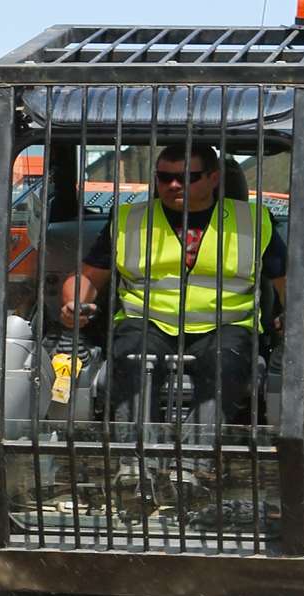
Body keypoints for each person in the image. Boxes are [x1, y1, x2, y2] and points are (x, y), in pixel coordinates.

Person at [58, 144, 286, 424]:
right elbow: (88, 277)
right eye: (164, 178)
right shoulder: (129, 219)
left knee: (225, 363)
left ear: (214, 178)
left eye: (186, 177)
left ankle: (195, 461)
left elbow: (287, 283)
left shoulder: (253, 221)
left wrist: (291, 318)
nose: (173, 185)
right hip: (145, 323)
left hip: (227, 328)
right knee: (133, 360)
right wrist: (73, 303)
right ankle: (136, 460)